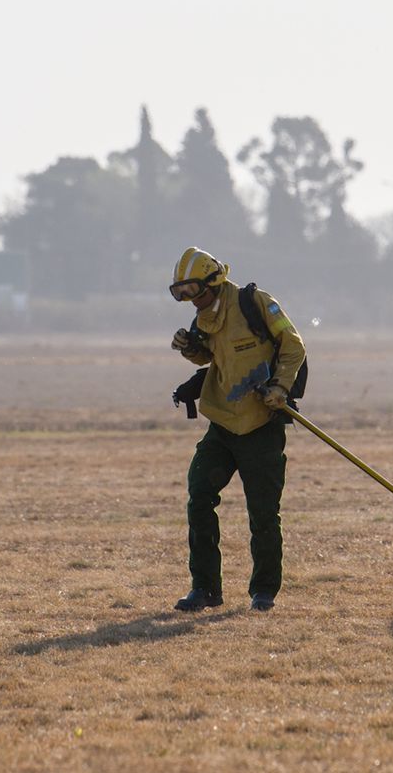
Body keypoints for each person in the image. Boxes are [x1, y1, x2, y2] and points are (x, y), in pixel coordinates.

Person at [168, 246, 306, 613]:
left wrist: (280, 387)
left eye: (193, 291)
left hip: (262, 424)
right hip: (223, 423)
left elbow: (294, 345)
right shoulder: (204, 317)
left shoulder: (254, 303)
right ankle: (205, 589)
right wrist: (189, 348)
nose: (189, 300)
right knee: (199, 497)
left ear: (214, 282)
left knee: (262, 513)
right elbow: (209, 357)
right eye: (181, 293)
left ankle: (263, 592)